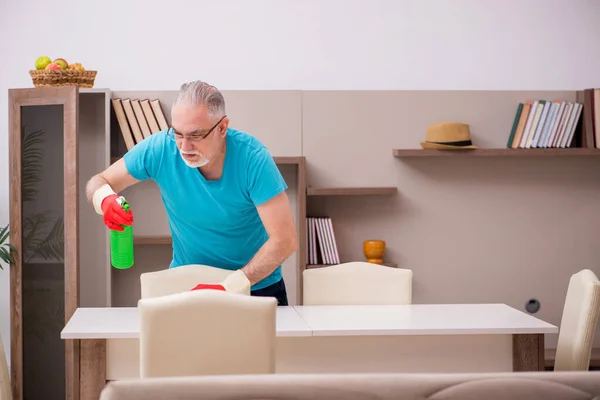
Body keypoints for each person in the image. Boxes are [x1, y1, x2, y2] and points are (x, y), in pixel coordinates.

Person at [85, 80, 298, 306]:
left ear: (222, 127)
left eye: (196, 136)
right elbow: (98, 181)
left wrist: (229, 286)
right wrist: (105, 199)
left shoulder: (253, 159)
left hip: (255, 287)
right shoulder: (162, 148)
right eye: (178, 133)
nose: (184, 147)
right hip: (188, 284)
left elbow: (285, 241)